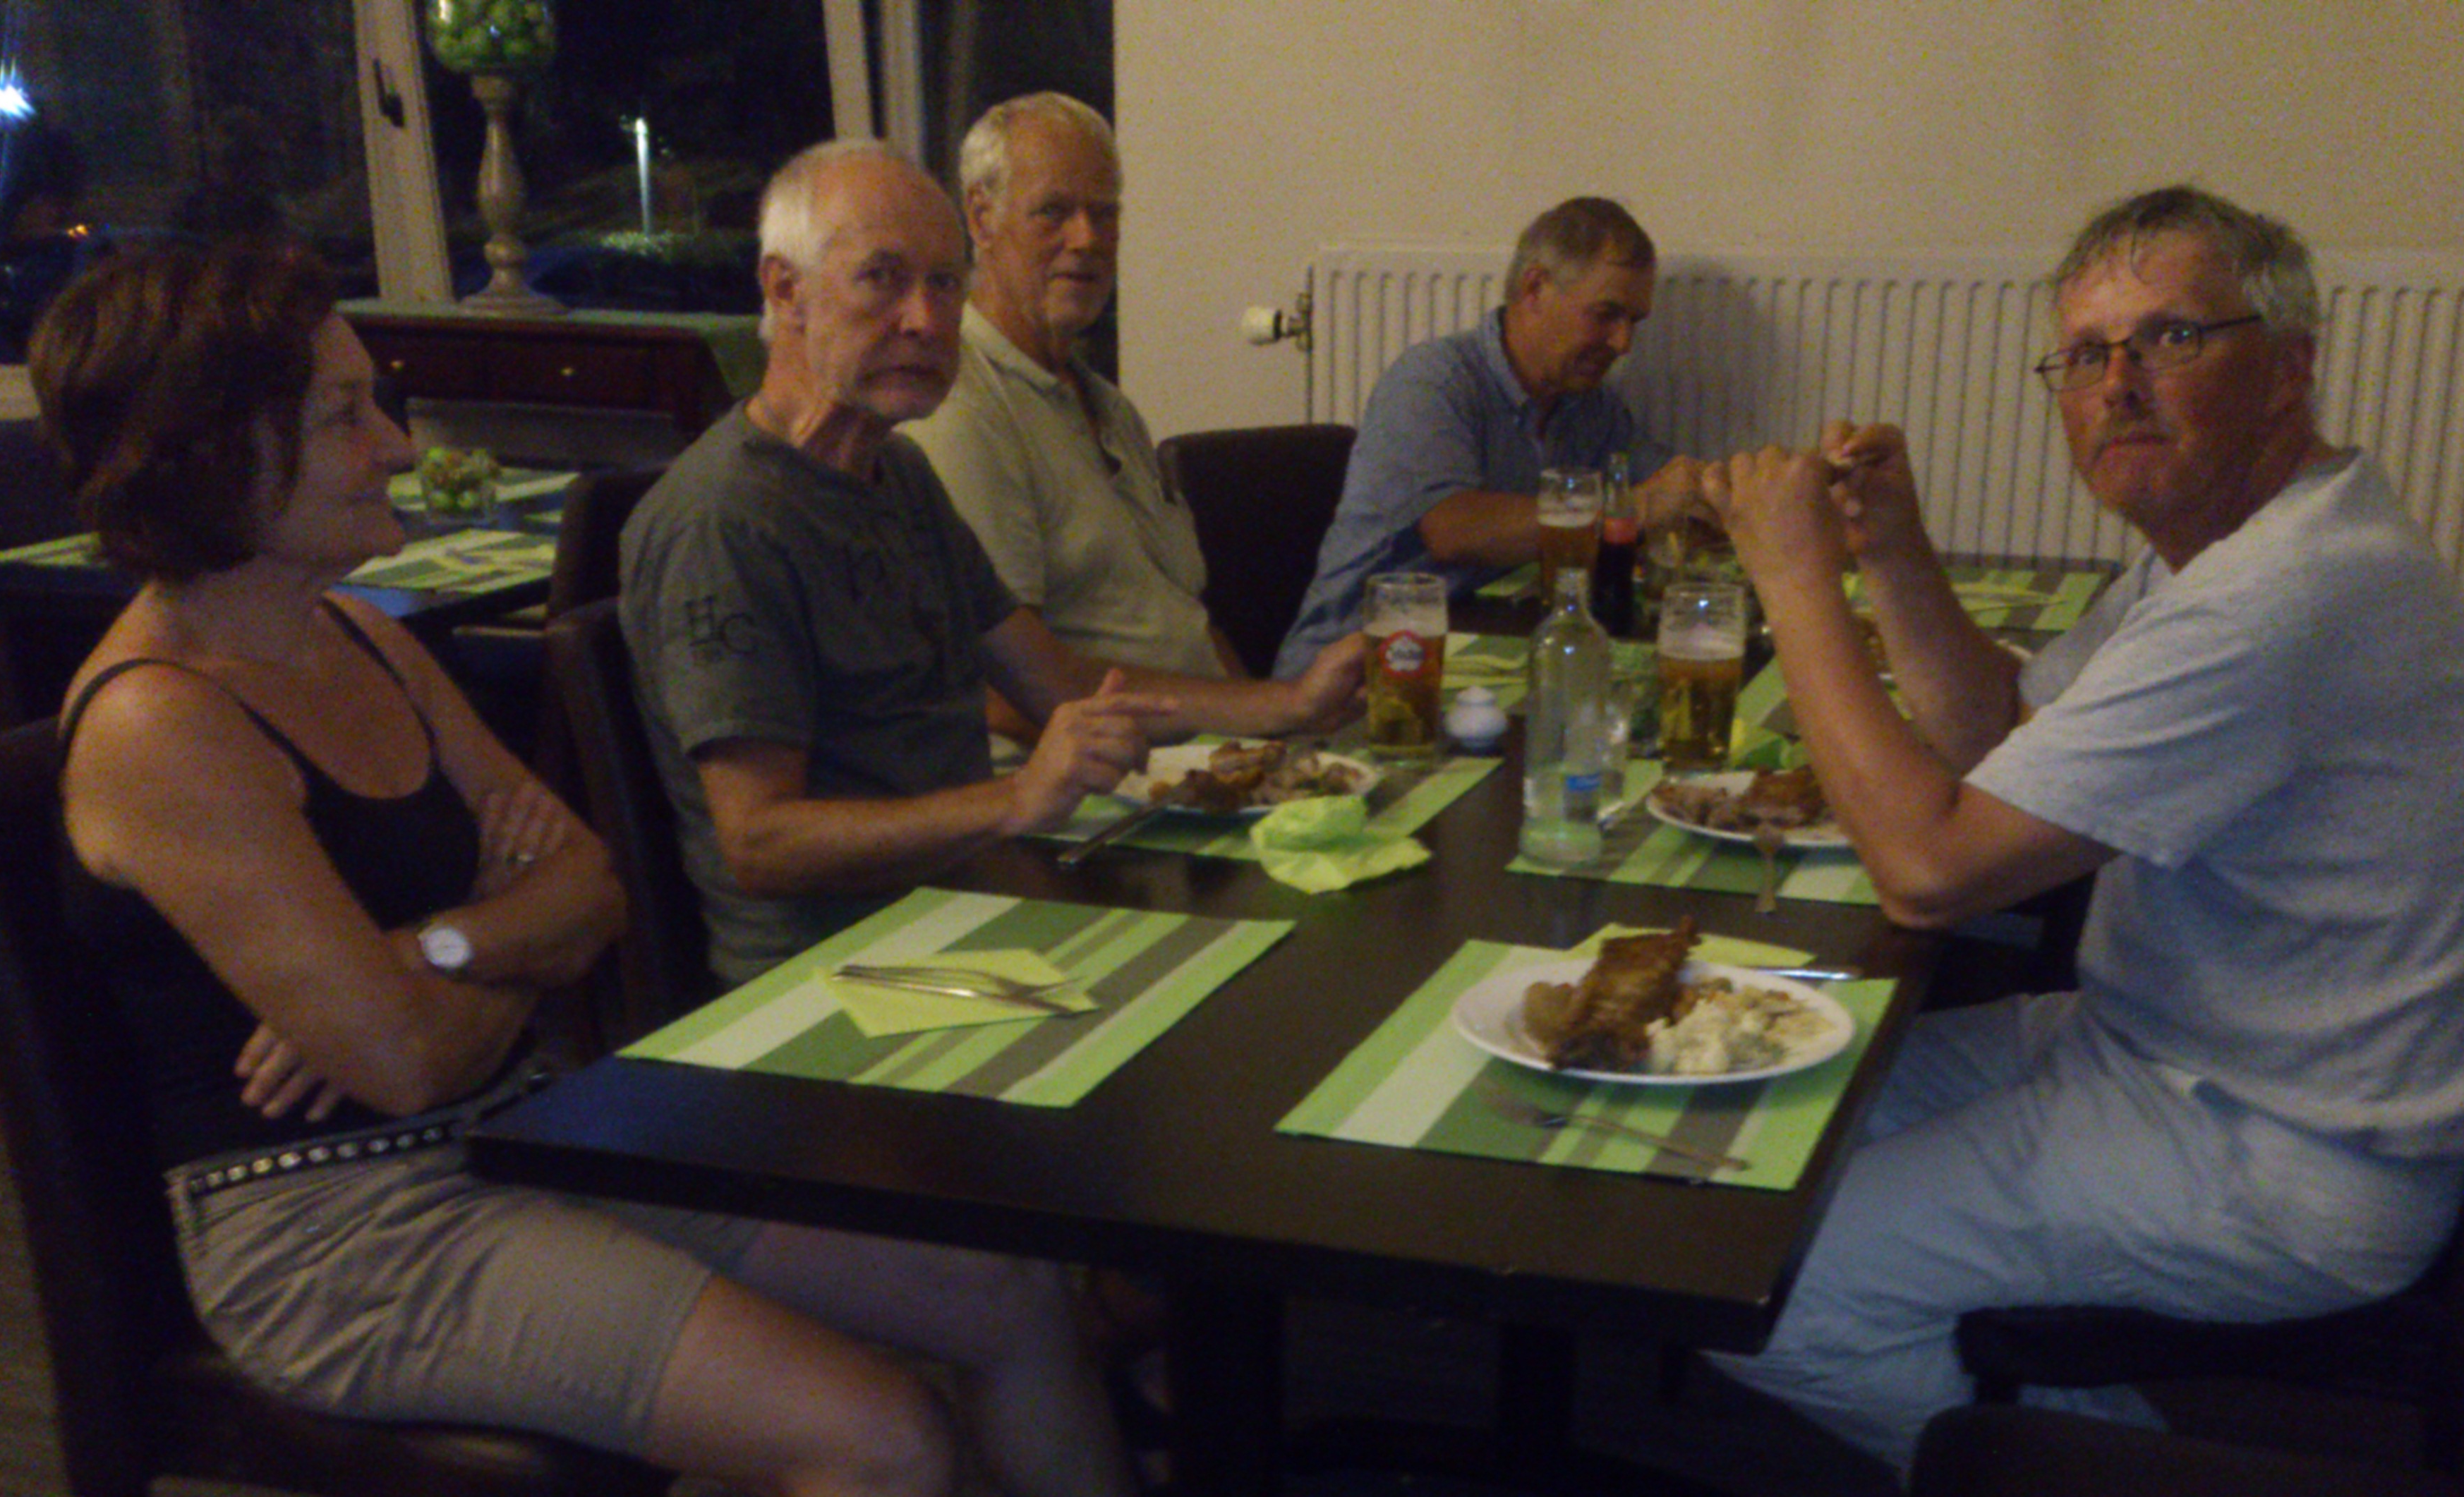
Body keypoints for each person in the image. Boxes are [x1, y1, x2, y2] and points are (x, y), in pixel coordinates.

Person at [32, 240, 1371, 1497]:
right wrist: (472, 966)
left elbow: (585, 887)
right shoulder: (159, 727)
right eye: (348, 412)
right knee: (881, 1449)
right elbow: (410, 1065)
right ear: (220, 454)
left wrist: (433, 949)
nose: (395, 440)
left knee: (997, 1288)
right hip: (342, 1229)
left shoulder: (358, 635)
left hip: (527, 1127)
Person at [1697, 185, 2464, 1474]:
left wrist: (1795, 576)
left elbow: (1928, 872)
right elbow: (2002, 739)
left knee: (1758, 1283)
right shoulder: (2236, 546)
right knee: (1743, 1121)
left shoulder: (2274, 600)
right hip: (2167, 1052)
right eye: (2086, 355)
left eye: (2172, 339)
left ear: (2288, 369)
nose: (2117, 386)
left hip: (2286, 1154)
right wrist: (1893, 553)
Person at [621, 139, 1363, 989]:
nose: (925, 320)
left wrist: (1290, 704)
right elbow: (759, 843)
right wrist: (1015, 799)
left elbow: (1062, 685)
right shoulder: (723, 521)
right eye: (882, 279)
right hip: (836, 981)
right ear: (785, 290)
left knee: (1298, 956)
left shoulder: (897, 474)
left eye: (944, 283)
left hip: (973, 912)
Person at [1273, 194, 1707, 676]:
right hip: (1354, 673)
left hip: (1476, 653)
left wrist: (1731, 488)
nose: (1623, 343)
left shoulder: (1588, 403)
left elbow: (1669, 481)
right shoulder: (1433, 381)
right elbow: (1454, 530)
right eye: (1606, 315)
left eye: (1633, 322)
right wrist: (1637, 508)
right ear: (1535, 288)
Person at [898, 93, 1238, 679]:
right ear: (981, 218)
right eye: (1053, 212)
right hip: (1115, 735)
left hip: (1210, 724)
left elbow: (1187, 620)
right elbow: (998, 687)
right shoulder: (961, 405)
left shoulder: (1109, 407)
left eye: (1104, 214)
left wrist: (1279, 716)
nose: (1086, 239)